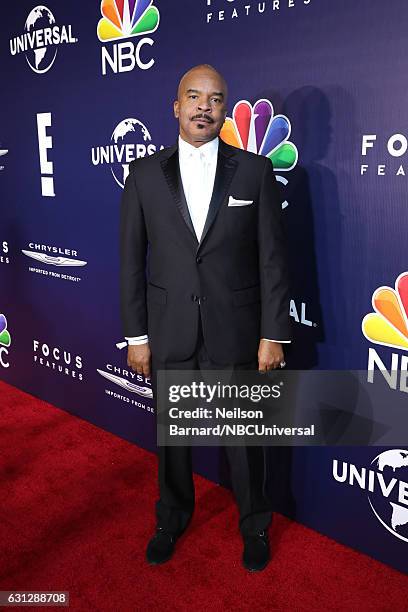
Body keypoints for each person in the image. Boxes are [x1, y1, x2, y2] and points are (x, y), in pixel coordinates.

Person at [119, 64, 291, 572]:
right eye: (193, 96)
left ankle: (255, 524)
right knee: (173, 439)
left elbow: (273, 261)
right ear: (176, 106)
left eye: (215, 99)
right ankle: (170, 518)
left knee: (245, 441)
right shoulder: (144, 175)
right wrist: (136, 335)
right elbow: (132, 261)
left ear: (224, 109)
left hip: (235, 332)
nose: (203, 107)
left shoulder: (255, 171)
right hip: (169, 330)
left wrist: (272, 334)